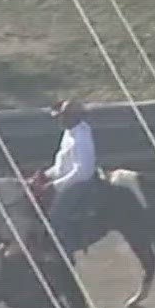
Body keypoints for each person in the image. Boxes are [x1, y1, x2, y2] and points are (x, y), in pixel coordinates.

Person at [41, 98, 98, 253]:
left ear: (73, 118)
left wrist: (54, 185)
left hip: (79, 183)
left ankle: (64, 250)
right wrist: (45, 175)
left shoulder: (81, 138)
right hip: (68, 179)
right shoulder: (69, 133)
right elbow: (62, 166)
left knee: (56, 217)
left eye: (62, 116)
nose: (59, 119)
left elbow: (82, 171)